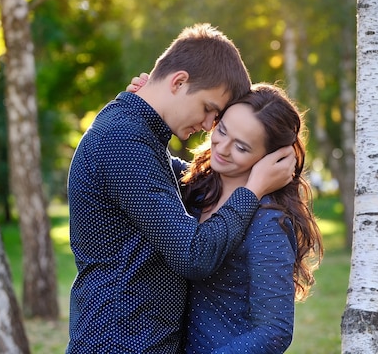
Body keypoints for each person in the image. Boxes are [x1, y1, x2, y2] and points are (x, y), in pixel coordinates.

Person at [66, 23, 296, 354]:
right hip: (116, 344)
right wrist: (255, 187)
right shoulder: (123, 141)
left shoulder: (139, 136)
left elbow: (186, 180)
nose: (207, 126)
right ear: (178, 82)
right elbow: (193, 255)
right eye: (208, 110)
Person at [173, 83, 324, 353]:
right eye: (222, 130)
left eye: (241, 147)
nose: (222, 148)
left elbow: (274, 331)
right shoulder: (194, 188)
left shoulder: (267, 222)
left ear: (269, 157)